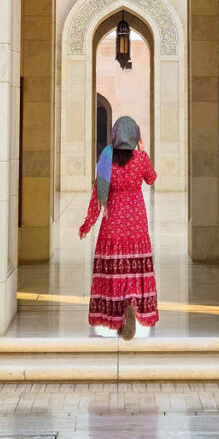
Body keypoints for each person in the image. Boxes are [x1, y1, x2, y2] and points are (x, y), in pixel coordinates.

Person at [78, 115, 159, 340]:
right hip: (136, 222)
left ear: (115, 135)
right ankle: (132, 302)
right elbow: (151, 179)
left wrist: (87, 224)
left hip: (113, 222)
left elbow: (97, 196)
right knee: (134, 266)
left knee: (115, 268)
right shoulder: (140, 159)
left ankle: (118, 316)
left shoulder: (107, 159)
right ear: (135, 136)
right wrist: (142, 151)